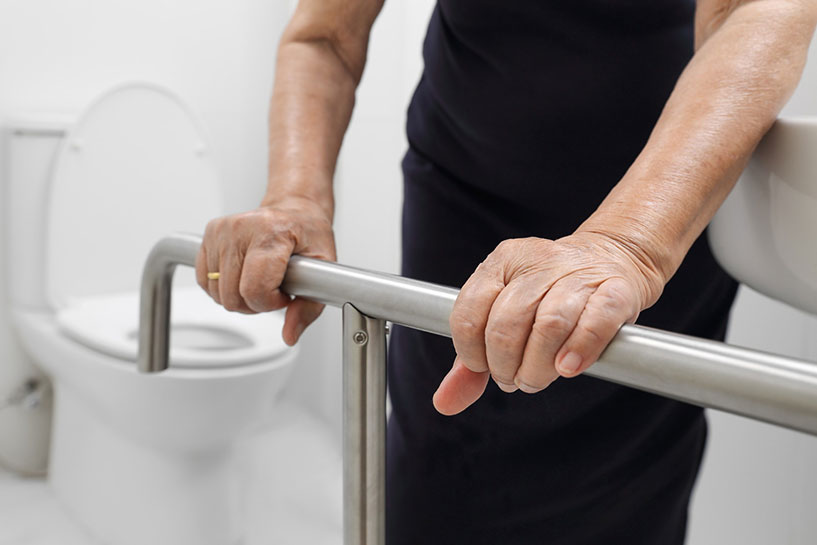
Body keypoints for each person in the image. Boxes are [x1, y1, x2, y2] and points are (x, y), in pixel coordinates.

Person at [196, 1, 817, 543]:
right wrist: (295, 198)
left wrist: (627, 243)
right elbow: (325, 33)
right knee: (441, 470)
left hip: (664, 208)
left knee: (630, 489)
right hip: (469, 204)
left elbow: (757, 8)